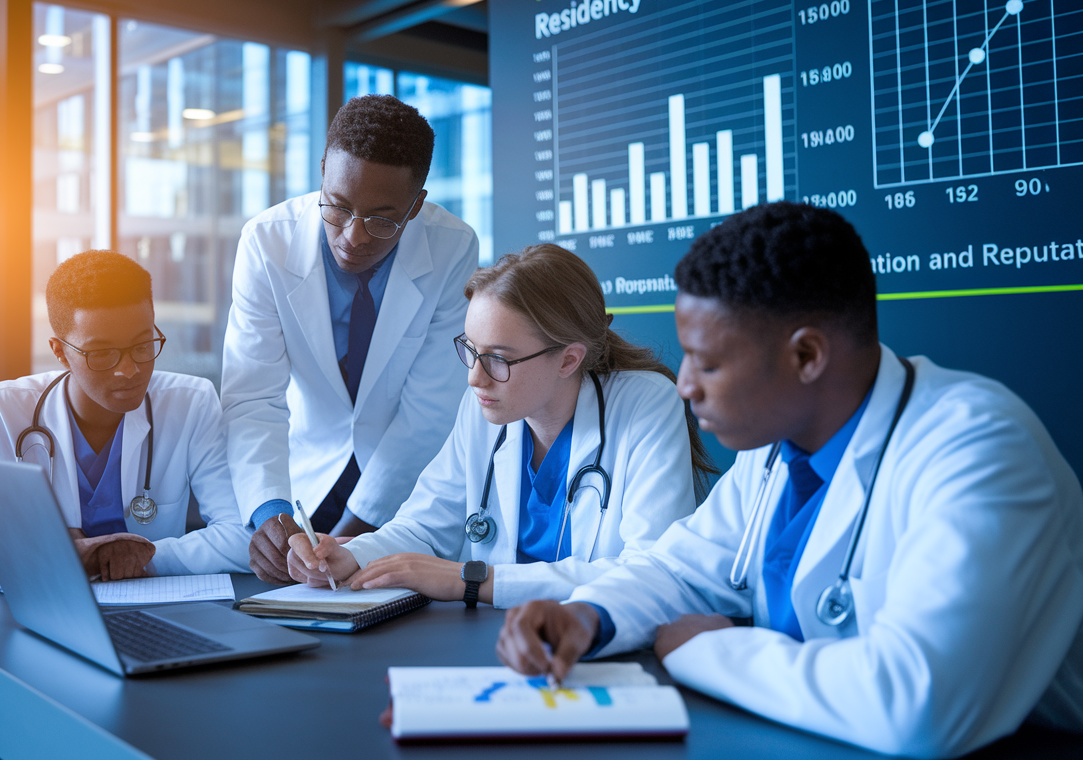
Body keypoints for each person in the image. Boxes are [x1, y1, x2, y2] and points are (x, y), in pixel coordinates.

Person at [495, 203, 1083, 757]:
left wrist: (704, 648)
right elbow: (680, 568)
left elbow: (916, 704)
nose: (685, 385)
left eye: (710, 362)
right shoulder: (777, 444)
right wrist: (587, 615)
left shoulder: (978, 447)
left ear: (807, 356)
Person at [287, 244, 714, 608]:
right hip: (498, 638)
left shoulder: (646, 404)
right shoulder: (485, 408)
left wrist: (473, 580)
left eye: (499, 359)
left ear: (568, 359)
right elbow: (423, 527)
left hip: (596, 643)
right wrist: (351, 555)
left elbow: (651, 571)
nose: (475, 376)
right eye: (471, 350)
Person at [222, 94, 479, 585]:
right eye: (338, 207)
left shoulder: (453, 246)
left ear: (416, 204)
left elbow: (432, 406)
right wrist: (271, 515)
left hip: (408, 484)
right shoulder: (266, 242)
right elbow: (253, 397)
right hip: (302, 482)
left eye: (382, 219)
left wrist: (355, 540)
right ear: (322, 172)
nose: (354, 237)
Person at [0, 251, 252, 587]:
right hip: (49, 606)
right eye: (102, 353)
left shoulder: (191, 403)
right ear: (59, 351)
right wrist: (50, 561)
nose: (129, 370)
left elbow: (242, 535)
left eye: (143, 346)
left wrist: (140, 557)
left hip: (156, 609)